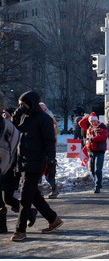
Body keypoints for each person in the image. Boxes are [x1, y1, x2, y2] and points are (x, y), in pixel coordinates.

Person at [10, 90, 63, 241]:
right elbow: (14, 130)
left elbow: (49, 143)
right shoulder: (25, 118)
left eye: (23, 104)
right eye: (19, 104)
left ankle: (20, 230)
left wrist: (51, 163)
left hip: (35, 162)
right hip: (24, 161)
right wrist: (17, 113)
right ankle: (53, 219)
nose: (21, 107)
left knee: (25, 198)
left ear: (31, 103)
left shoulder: (44, 119)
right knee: (33, 195)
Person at [78, 112, 108, 193]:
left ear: (97, 120)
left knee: (98, 170)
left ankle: (97, 186)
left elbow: (103, 137)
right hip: (91, 151)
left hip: (99, 151)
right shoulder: (89, 127)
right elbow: (80, 123)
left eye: (94, 121)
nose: (93, 123)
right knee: (92, 170)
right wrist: (87, 117)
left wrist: (93, 139)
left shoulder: (102, 126)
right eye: (91, 121)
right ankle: (97, 182)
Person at [39, 102, 59, 199]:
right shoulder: (36, 119)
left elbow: (52, 137)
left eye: (43, 108)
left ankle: (54, 188)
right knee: (37, 171)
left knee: (48, 171)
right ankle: (38, 191)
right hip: (37, 149)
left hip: (48, 150)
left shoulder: (50, 121)